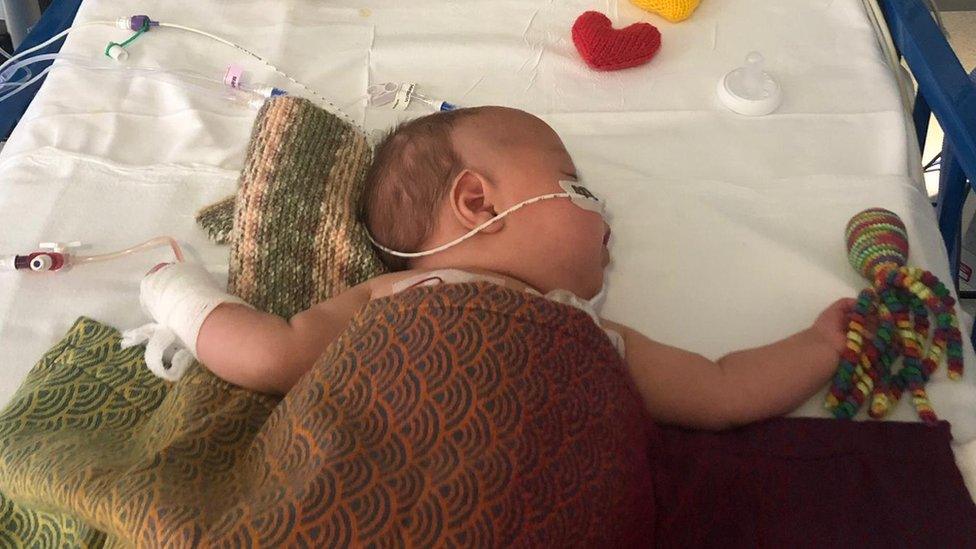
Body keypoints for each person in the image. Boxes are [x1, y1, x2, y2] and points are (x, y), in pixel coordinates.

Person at [135, 106, 853, 431]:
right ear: (477, 201)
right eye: (577, 186)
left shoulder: (591, 335)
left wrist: (820, 345)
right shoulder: (400, 297)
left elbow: (719, 388)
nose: (605, 214)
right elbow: (271, 351)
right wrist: (178, 296)